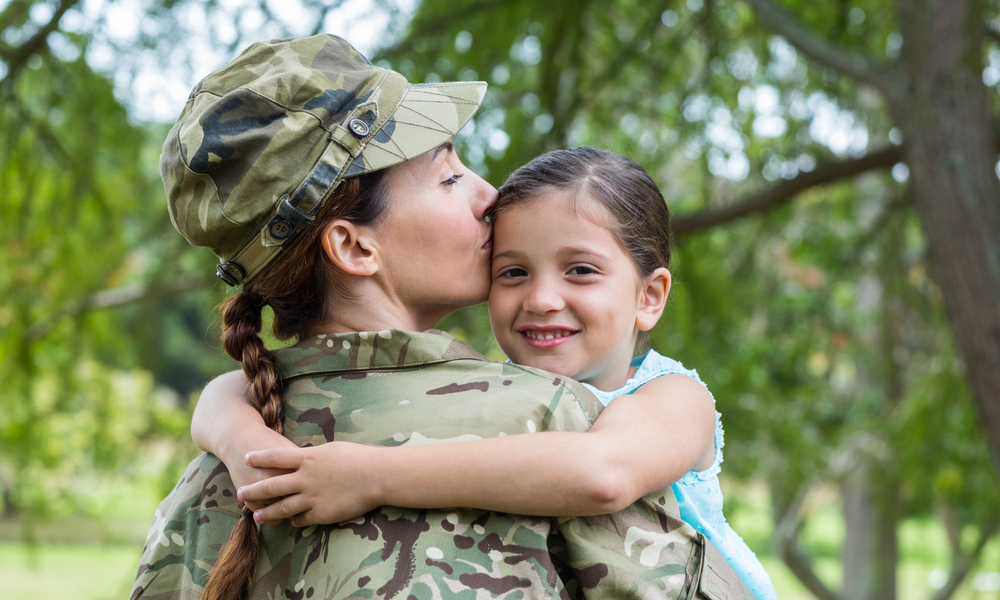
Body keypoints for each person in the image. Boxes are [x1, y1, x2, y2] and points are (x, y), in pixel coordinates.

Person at [131, 33, 754, 600]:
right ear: (354, 246)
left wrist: (245, 442)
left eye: (580, 271)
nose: (491, 197)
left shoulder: (212, 481)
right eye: (449, 176)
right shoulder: (550, 421)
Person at [196, 148, 777, 600]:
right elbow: (229, 389)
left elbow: (602, 473)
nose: (543, 299)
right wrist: (244, 445)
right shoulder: (498, 389)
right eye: (513, 272)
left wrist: (370, 475)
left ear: (650, 297)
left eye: (579, 270)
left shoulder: (673, 397)